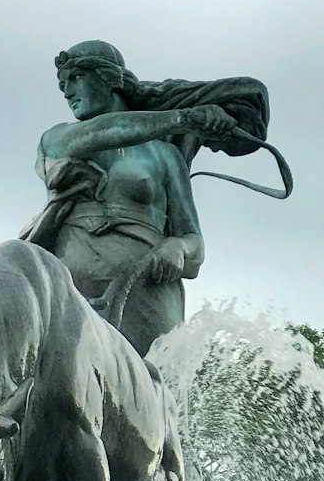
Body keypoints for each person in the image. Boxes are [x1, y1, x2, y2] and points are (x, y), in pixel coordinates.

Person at [21, 40, 271, 357]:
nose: (67, 91)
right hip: (69, 293)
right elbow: (106, 131)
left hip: (146, 293)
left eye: (75, 78)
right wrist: (184, 119)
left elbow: (194, 243)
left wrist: (177, 247)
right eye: (62, 85)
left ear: (108, 78)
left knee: (155, 396)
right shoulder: (58, 139)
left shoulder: (164, 157)